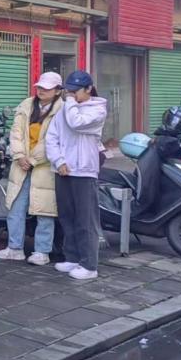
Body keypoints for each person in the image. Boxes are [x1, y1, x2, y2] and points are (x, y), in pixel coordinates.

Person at [0, 72, 63, 265]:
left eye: (47, 88)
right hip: (21, 164)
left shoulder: (62, 109)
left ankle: (42, 251)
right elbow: (16, 133)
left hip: (45, 167)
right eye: (40, 87)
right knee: (15, 206)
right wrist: (19, 156)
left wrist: (32, 160)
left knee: (45, 210)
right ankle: (14, 248)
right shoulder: (26, 105)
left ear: (58, 91)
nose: (41, 91)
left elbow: (52, 141)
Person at [45, 70, 107, 281]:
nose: (71, 95)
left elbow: (76, 122)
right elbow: (51, 138)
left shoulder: (98, 110)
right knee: (67, 216)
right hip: (64, 170)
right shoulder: (65, 109)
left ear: (89, 89)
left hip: (85, 171)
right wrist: (59, 161)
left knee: (85, 219)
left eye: (75, 91)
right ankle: (72, 257)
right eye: (69, 91)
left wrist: (69, 102)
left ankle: (89, 264)